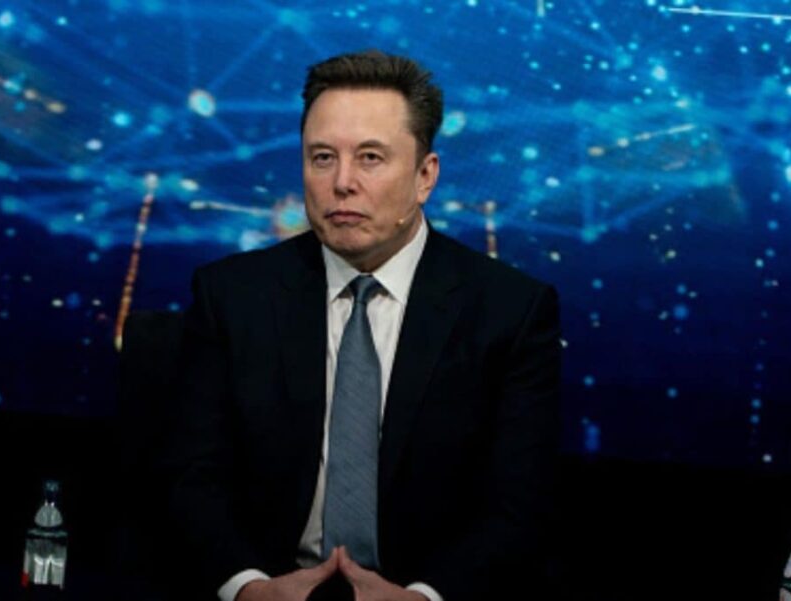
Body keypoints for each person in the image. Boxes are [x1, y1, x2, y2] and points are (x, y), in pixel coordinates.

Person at [166, 50, 562, 601]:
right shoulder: (231, 296)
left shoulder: (510, 312)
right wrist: (248, 588)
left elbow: (519, 506)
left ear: (425, 176)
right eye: (322, 158)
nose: (342, 182)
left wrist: (424, 598)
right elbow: (191, 477)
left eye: (370, 158)